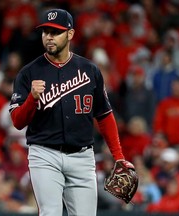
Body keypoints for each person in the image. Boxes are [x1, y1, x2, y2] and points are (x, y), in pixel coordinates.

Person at [8, 8, 134, 216]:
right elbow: (17, 121)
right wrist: (32, 99)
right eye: (45, 31)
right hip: (44, 154)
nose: (49, 37)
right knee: (51, 212)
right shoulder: (28, 73)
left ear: (70, 34)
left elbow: (104, 115)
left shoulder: (89, 70)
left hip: (82, 156)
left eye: (55, 32)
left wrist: (118, 156)